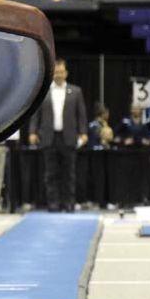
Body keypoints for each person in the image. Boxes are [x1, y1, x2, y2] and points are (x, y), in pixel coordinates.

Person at [28, 59, 88, 212]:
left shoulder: (76, 91)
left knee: (69, 174)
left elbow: (81, 115)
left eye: (61, 72)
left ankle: (68, 203)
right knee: (50, 174)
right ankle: (53, 203)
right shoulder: (44, 91)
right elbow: (36, 114)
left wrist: (83, 133)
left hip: (68, 137)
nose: (59, 75)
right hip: (49, 137)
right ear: (52, 73)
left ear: (66, 73)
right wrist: (32, 131)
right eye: (56, 72)